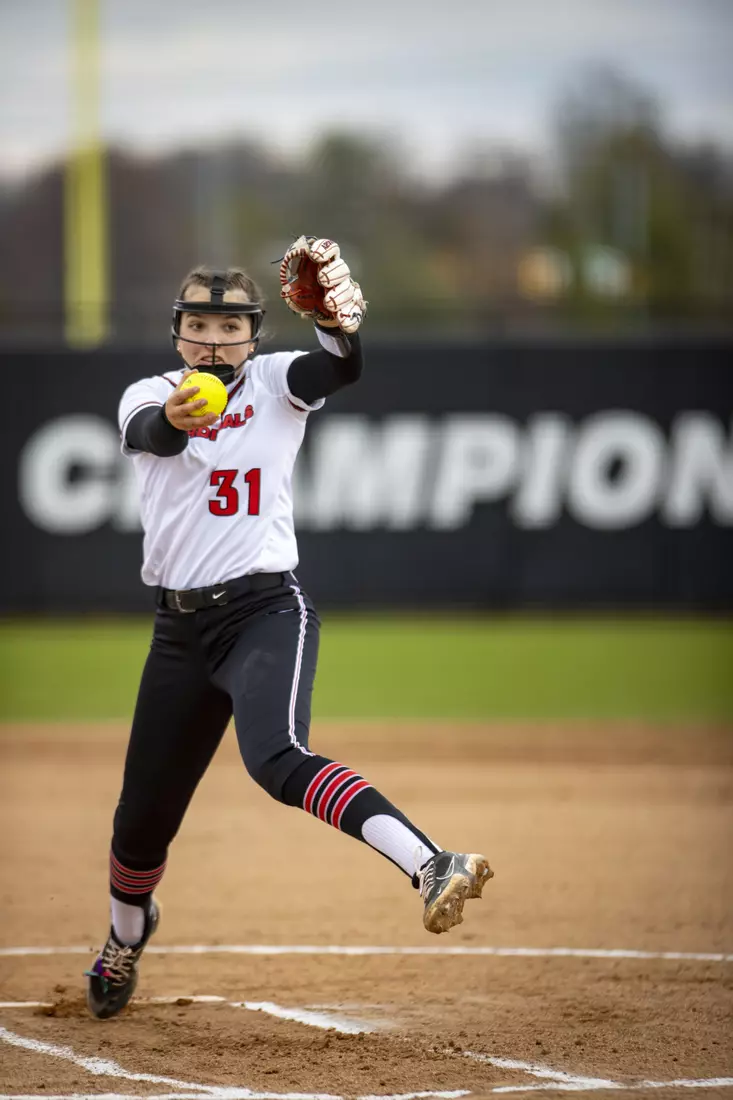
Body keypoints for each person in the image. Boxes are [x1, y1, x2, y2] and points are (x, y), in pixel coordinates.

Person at [85, 235, 493, 1020]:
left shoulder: (276, 383)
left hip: (264, 609)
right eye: (199, 325)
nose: (213, 339)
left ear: (254, 335)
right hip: (178, 631)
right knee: (139, 829)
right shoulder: (146, 392)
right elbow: (155, 434)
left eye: (230, 326)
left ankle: (430, 863)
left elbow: (339, 367)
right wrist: (178, 411)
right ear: (177, 330)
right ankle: (123, 937)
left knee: (276, 758)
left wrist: (336, 329)